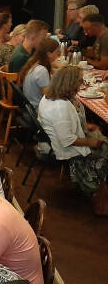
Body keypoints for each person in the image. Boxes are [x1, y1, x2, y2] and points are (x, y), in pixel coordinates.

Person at [38, 65, 108, 195]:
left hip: (63, 139)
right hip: (68, 149)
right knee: (105, 146)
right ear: (70, 83)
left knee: (101, 134)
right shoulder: (61, 107)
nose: (82, 83)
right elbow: (67, 140)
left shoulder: (51, 96)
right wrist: (92, 142)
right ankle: (100, 193)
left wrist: (87, 127)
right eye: (80, 80)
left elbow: (67, 125)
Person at [18, 38, 60, 108]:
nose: (59, 54)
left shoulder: (34, 62)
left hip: (30, 104)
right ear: (49, 54)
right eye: (57, 52)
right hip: (37, 108)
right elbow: (48, 96)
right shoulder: (42, 70)